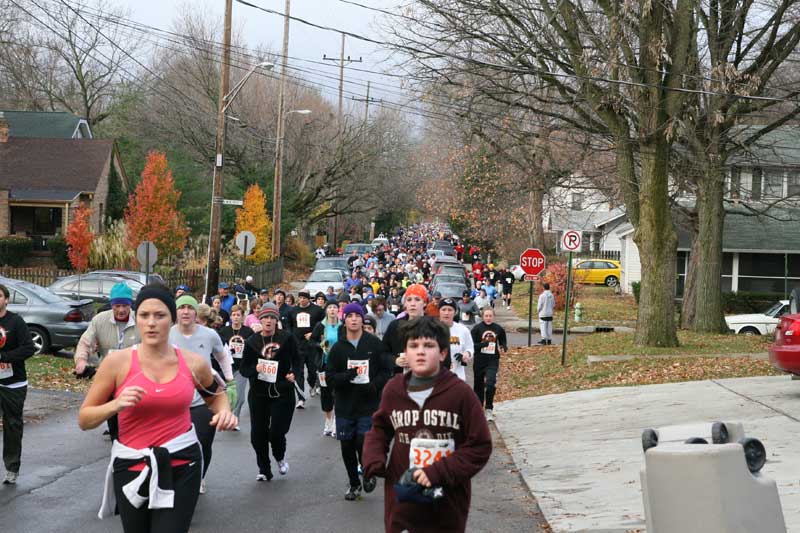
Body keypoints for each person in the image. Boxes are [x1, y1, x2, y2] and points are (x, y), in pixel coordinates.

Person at [79, 284, 237, 532]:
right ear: (136, 318)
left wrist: (225, 411)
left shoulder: (192, 362)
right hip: (132, 465)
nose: (151, 323)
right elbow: (85, 419)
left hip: (183, 463)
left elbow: (216, 396)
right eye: (144, 315)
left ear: (172, 319)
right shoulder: (116, 363)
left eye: (160, 315)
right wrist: (115, 404)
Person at [362, 316, 492, 532]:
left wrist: (438, 471)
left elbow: (480, 446)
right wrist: (373, 457)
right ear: (405, 352)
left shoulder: (460, 393)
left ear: (442, 353)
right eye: (413, 346)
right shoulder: (394, 390)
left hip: (447, 503)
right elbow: (380, 428)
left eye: (428, 345)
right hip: (403, 498)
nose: (420, 351)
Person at [169, 295, 233, 494]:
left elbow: (222, 355)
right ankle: (178, 477)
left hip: (203, 399)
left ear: (196, 312)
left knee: (203, 442)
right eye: (182, 308)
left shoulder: (209, 334)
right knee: (175, 444)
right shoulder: (166, 334)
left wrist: (230, 380)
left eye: (190, 308)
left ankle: (199, 476)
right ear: (176, 312)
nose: (186, 311)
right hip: (174, 401)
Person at [326, 303, 390, 501]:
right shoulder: (337, 348)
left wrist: (374, 385)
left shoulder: (374, 344)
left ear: (363, 319)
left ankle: (368, 472)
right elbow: (329, 377)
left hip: (368, 404)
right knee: (347, 446)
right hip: (345, 404)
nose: (354, 319)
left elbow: (385, 371)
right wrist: (345, 376)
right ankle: (354, 483)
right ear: (344, 319)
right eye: (349, 315)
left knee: (363, 442)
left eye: (357, 315)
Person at [74, 283, 140, 440]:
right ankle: (117, 441)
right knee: (114, 419)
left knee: (133, 417)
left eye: (125, 305)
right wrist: (81, 361)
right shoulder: (100, 320)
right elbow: (85, 342)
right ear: (111, 305)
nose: (121, 310)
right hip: (109, 377)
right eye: (117, 305)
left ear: (130, 305)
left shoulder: (140, 320)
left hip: (135, 376)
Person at [239, 303, 297, 481]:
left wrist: (294, 374)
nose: (269, 321)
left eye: (272, 317)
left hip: (282, 391)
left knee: (276, 433)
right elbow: (244, 368)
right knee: (258, 434)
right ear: (260, 319)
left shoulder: (286, 338)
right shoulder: (252, 342)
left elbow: (298, 359)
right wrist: (254, 368)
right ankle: (264, 469)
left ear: (277, 320)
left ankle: (279, 457)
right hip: (259, 393)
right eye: (265, 317)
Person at [0, 283, 35, 485]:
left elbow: (28, 348)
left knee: (12, 425)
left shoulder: (16, 322)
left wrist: (4, 356)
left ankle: (12, 468)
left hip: (13, 384)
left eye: (0, 296)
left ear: (6, 299)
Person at [219, 305, 255, 428]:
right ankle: (227, 417)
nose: (235, 317)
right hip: (227, 368)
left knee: (239, 396)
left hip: (241, 367)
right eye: (233, 315)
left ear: (242, 317)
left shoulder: (248, 332)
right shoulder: (224, 331)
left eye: (238, 315)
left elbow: (252, 349)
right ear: (230, 317)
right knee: (227, 395)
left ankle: (235, 419)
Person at [470, 307, 508, 422]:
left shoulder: (498, 328)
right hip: (479, 360)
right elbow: (471, 346)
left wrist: (503, 346)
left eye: (490, 316)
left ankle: (489, 409)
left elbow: (502, 340)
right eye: (486, 316)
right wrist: (483, 345)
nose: (488, 318)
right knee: (479, 386)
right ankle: (479, 409)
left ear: (494, 316)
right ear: (482, 317)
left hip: (492, 360)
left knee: (490, 384)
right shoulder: (477, 329)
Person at [289, 291, 324, 408]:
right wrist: (291, 338)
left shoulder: (317, 310)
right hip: (297, 346)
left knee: (312, 371)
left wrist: (314, 334)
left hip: (312, 346)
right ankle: (301, 398)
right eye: (300, 298)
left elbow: (322, 324)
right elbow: (289, 326)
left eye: (304, 298)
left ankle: (312, 384)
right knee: (298, 372)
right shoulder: (293, 311)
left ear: (309, 299)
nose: (302, 300)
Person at [382, 284, 428, 373]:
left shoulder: (434, 327)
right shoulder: (395, 326)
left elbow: (443, 358)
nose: (412, 304)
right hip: (399, 379)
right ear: (405, 303)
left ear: (425, 302)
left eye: (417, 299)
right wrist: (395, 360)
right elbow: (383, 353)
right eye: (409, 300)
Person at [310, 301, 340, 437]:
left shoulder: (343, 326)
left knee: (338, 394)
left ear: (338, 310)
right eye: (330, 307)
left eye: (335, 307)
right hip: (324, 364)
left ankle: (335, 424)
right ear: (326, 310)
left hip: (339, 365)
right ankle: (328, 421)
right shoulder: (321, 326)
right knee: (326, 394)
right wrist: (320, 345)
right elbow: (312, 341)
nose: (332, 310)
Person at [438, 298, 473, 382]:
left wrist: (467, 354)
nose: (446, 313)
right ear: (439, 311)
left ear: (455, 312)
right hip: (436, 378)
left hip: (457, 377)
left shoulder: (463, 330)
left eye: (450, 310)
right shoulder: (431, 329)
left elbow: (470, 348)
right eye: (443, 309)